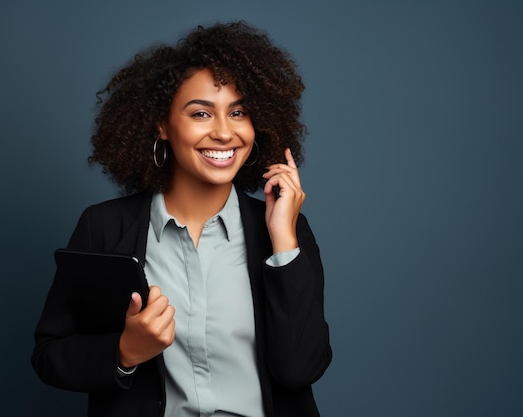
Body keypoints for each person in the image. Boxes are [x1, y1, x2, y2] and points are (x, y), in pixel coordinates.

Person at [32, 21, 331, 417]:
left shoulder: (285, 231)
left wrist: (283, 242)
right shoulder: (103, 228)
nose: (225, 132)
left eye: (238, 111)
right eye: (201, 113)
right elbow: (50, 355)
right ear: (162, 125)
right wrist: (125, 351)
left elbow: (300, 369)